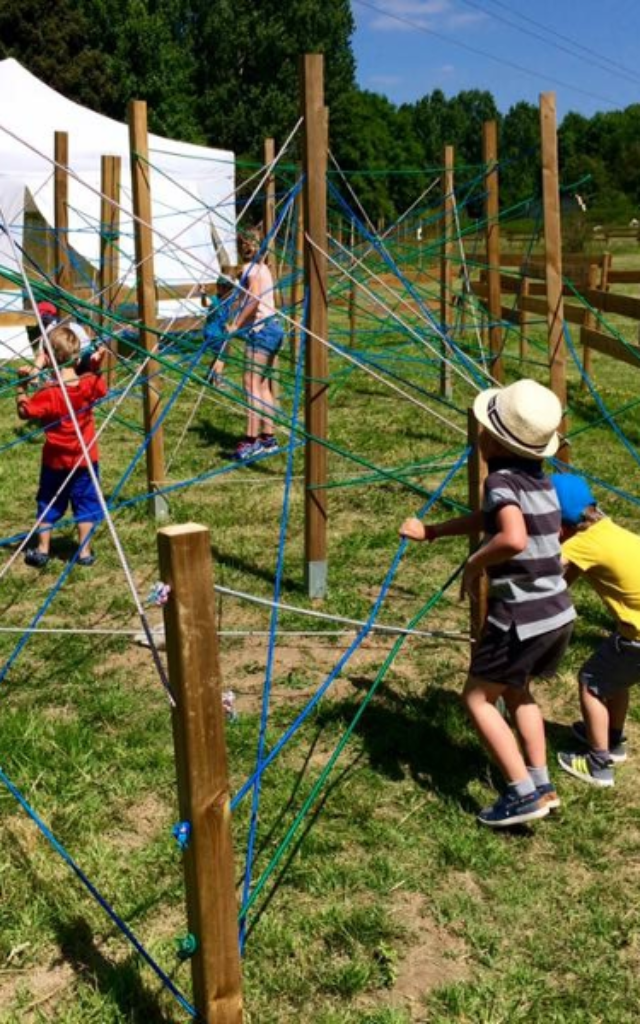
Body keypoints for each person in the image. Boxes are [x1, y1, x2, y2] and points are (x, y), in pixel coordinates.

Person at [400, 379, 575, 827]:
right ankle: (541, 782)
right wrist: (435, 531)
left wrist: (474, 565)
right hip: (557, 612)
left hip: (520, 617)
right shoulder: (542, 481)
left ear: (493, 438)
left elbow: (511, 537)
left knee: (477, 699)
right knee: (518, 691)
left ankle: (520, 794)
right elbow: (492, 521)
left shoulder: (498, 480)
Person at [552, 473, 640, 787]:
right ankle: (613, 740)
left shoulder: (581, 542)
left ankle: (598, 762)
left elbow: (552, 576)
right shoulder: (609, 529)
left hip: (637, 638)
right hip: (634, 634)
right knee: (616, 680)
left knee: (591, 683)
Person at [16, 325, 108, 568]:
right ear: (78, 355)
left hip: (55, 462)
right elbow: (102, 389)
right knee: (86, 502)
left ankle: (43, 548)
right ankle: (85, 552)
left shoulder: (49, 393)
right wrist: (95, 367)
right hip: (86, 459)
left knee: (48, 499)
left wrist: (21, 388)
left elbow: (26, 412)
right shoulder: (87, 383)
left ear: (47, 358)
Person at [229, 232, 284, 460]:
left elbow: (253, 299)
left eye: (249, 243)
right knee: (262, 386)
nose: (246, 247)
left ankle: (251, 441)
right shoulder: (265, 269)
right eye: (243, 243)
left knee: (250, 384)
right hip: (274, 328)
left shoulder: (252, 269)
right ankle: (268, 439)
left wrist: (236, 324)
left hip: (261, 331)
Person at [199, 270, 236, 385]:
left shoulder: (228, 300)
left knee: (220, 355)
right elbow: (206, 303)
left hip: (218, 332)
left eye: (230, 288)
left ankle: (210, 375)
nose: (228, 290)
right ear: (219, 288)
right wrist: (203, 294)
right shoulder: (215, 300)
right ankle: (217, 381)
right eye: (225, 287)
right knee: (221, 357)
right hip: (214, 333)